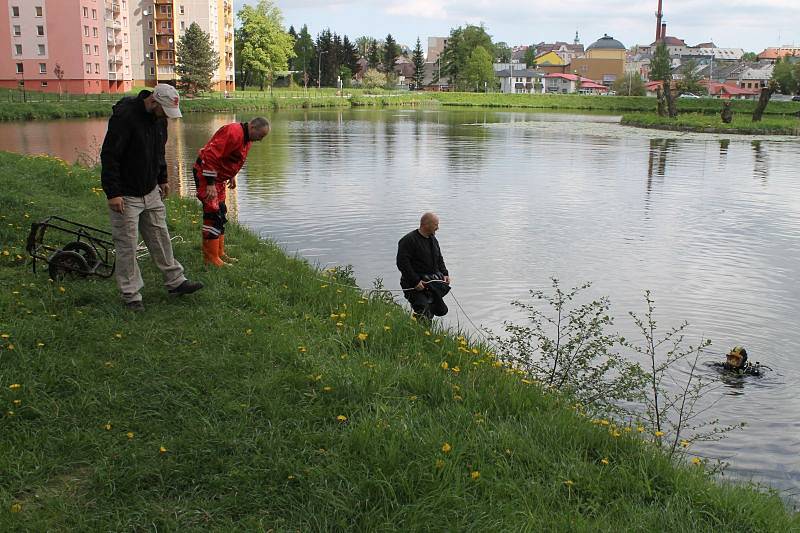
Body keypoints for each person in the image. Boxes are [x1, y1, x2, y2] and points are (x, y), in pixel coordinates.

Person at [100, 83, 203, 311]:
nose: (167, 116)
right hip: (126, 194)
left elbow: (158, 152)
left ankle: (176, 282)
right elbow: (109, 156)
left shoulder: (159, 120)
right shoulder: (125, 117)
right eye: (164, 111)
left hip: (150, 190)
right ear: (154, 101)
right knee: (127, 245)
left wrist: (163, 178)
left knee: (160, 235)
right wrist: (113, 192)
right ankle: (131, 295)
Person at [193, 117, 271, 266]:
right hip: (206, 176)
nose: (260, 140)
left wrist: (232, 175)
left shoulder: (247, 139)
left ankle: (219, 253)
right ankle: (210, 259)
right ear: (253, 127)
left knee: (221, 212)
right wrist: (210, 183)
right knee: (212, 214)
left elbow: (231, 158)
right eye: (260, 136)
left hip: (219, 179)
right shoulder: (233, 132)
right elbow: (210, 155)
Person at [396, 212, 451, 322]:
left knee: (438, 310)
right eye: (436, 225)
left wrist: (445, 274)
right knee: (423, 310)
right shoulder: (408, 240)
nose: (438, 228)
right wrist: (415, 282)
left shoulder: (433, 240)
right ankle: (419, 334)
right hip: (413, 285)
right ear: (426, 224)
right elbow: (402, 264)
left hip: (431, 283)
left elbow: (439, 258)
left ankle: (423, 332)